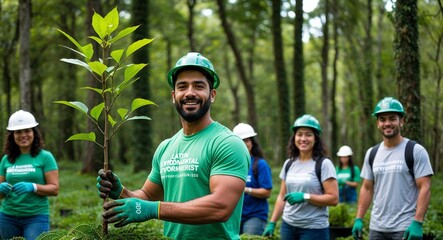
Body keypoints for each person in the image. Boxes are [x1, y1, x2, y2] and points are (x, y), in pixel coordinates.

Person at [97, 52, 250, 239]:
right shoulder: (165, 148)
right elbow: (145, 198)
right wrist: (120, 192)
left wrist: (155, 209)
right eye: (182, 86)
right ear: (173, 95)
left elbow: (221, 207)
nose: (190, 92)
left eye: (199, 86)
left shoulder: (227, 143)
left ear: (212, 95)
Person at [352, 97, 433, 240]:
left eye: (392, 118)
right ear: (377, 123)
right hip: (376, 228)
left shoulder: (415, 150)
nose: (387, 123)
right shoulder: (372, 153)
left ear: (401, 121)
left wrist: (417, 222)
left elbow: (425, 187)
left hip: (405, 228)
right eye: (382, 119)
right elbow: (367, 188)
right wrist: (359, 218)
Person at [263, 114, 338, 240]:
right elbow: (282, 196)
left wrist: (305, 197)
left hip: (314, 229)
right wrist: (272, 222)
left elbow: (333, 199)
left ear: (315, 138)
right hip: (288, 226)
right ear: (294, 138)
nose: (303, 138)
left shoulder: (324, 164)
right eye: (299, 134)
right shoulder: (289, 163)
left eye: (308, 134)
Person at [0, 110, 59, 240]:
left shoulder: (45, 157)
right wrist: (1, 189)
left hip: (36, 217)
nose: (23, 135)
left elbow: (55, 189)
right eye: (18, 132)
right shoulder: (6, 159)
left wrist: (33, 187)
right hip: (7, 217)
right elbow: (0, 194)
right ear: (12, 135)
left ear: (34, 133)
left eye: (27, 131)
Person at [232, 123, 272, 236]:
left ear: (252, 143)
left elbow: (267, 192)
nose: (244, 144)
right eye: (241, 141)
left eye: (247, 140)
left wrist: (246, 189)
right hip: (234, 216)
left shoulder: (260, 164)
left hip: (254, 216)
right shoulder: (231, 164)